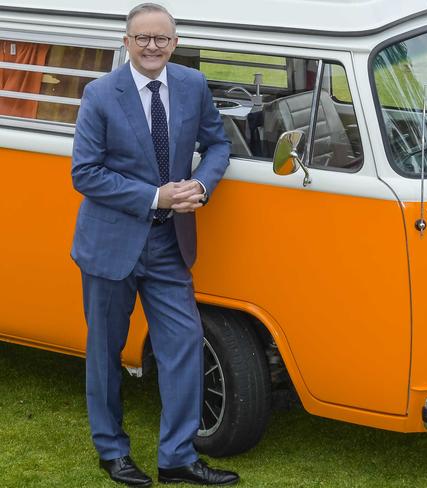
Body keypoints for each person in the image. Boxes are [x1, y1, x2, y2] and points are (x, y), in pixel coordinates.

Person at [71, 3, 238, 486]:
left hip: (169, 243)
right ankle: (111, 451)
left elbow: (218, 145)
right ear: (126, 42)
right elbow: (85, 173)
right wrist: (154, 195)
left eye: (161, 38)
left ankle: (178, 458)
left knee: (184, 344)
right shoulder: (100, 94)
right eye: (142, 38)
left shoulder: (192, 85)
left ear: (174, 43)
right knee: (105, 351)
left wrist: (202, 186)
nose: (151, 46)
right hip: (110, 246)